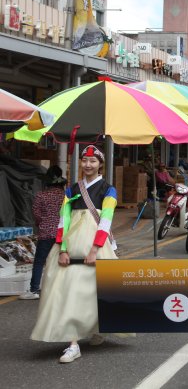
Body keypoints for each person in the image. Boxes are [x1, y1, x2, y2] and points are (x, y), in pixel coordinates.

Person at [31, 145, 119, 363]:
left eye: (93, 161)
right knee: (68, 291)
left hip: (96, 246)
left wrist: (95, 248)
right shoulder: (71, 189)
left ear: (100, 165)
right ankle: (73, 343)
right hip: (71, 246)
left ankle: (97, 328)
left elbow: (106, 220)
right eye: (84, 160)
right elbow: (64, 220)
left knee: (97, 291)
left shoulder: (109, 190)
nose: (88, 165)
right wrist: (62, 248)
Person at [20, 166, 67, 300]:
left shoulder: (41, 195)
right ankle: (62, 289)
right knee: (63, 260)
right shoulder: (65, 196)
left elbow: (37, 215)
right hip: (62, 233)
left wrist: (42, 223)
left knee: (40, 261)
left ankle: (34, 289)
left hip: (46, 233)